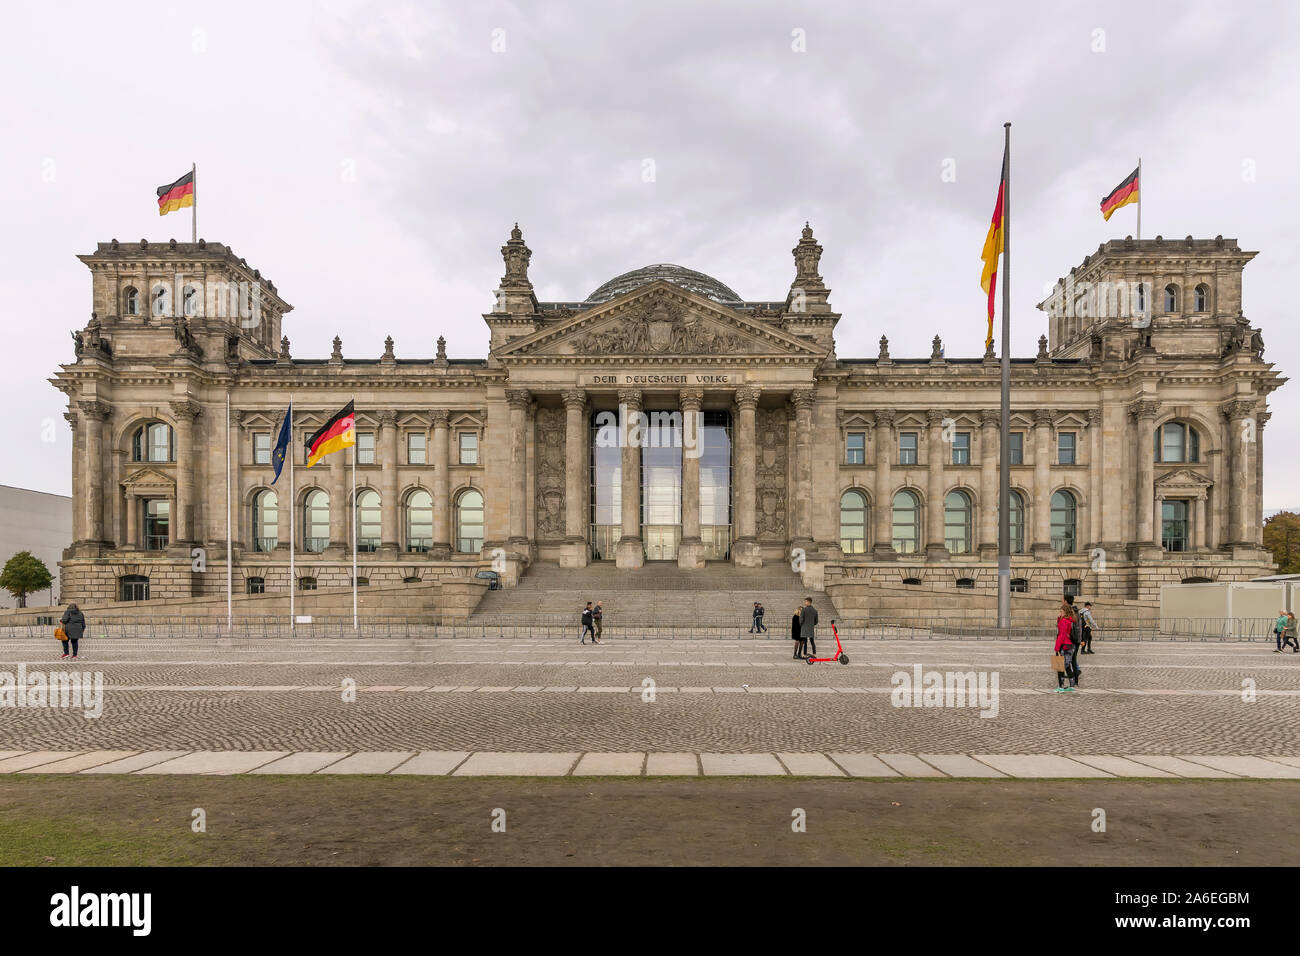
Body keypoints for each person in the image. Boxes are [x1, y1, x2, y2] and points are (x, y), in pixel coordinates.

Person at [1054, 600, 1079, 692]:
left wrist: (1056, 648)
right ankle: (1072, 686)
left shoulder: (1064, 621)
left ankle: (1061, 687)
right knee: (1068, 666)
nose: (1059, 613)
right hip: (1070, 646)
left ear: (1065, 612)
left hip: (1064, 646)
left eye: (1061, 611)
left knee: (1059, 666)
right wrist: (1058, 619)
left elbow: (1061, 635)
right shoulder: (1070, 620)